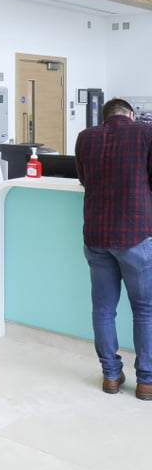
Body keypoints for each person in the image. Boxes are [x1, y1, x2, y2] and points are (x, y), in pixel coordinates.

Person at [75, 97, 152, 400]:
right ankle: (146, 381)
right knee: (144, 310)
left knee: (104, 309)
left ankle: (110, 375)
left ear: (104, 117)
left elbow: (84, 179)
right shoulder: (146, 133)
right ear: (131, 115)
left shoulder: (85, 137)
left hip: (96, 236)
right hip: (135, 235)